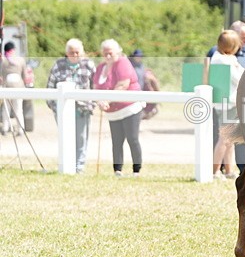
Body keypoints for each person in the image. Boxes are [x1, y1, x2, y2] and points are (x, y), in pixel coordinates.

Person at [94, 39, 144, 177]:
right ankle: (117, 170)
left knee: (132, 139)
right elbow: (96, 88)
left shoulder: (122, 62)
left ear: (117, 52)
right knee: (116, 141)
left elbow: (123, 84)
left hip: (129, 106)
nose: (107, 56)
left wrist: (107, 100)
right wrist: (100, 101)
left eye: (110, 53)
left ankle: (136, 170)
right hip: (113, 111)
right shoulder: (100, 68)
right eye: (105, 53)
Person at [46, 39, 97, 173]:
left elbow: (95, 87)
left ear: (82, 52)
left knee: (81, 139)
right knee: (66, 139)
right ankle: (66, 166)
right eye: (71, 52)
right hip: (62, 110)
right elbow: (50, 88)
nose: (74, 55)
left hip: (82, 109)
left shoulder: (89, 65)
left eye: (77, 52)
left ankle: (79, 167)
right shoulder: (58, 65)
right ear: (66, 53)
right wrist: (55, 107)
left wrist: (92, 105)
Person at [210, 30, 245, 179]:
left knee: (230, 139)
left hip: (229, 103)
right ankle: (215, 170)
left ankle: (229, 170)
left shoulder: (224, 58)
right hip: (227, 104)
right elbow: (239, 78)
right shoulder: (222, 61)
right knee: (224, 139)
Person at [1, 41, 27, 135]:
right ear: (14, 50)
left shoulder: (3, 61)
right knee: (18, 109)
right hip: (18, 87)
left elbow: (2, 76)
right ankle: (20, 129)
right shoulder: (20, 60)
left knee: (6, 109)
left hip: (7, 87)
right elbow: (24, 75)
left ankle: (5, 128)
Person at [129, 49, 161, 120]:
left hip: (141, 89)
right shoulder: (130, 65)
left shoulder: (141, 65)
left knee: (144, 108)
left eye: (140, 56)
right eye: (137, 56)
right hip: (133, 90)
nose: (139, 58)